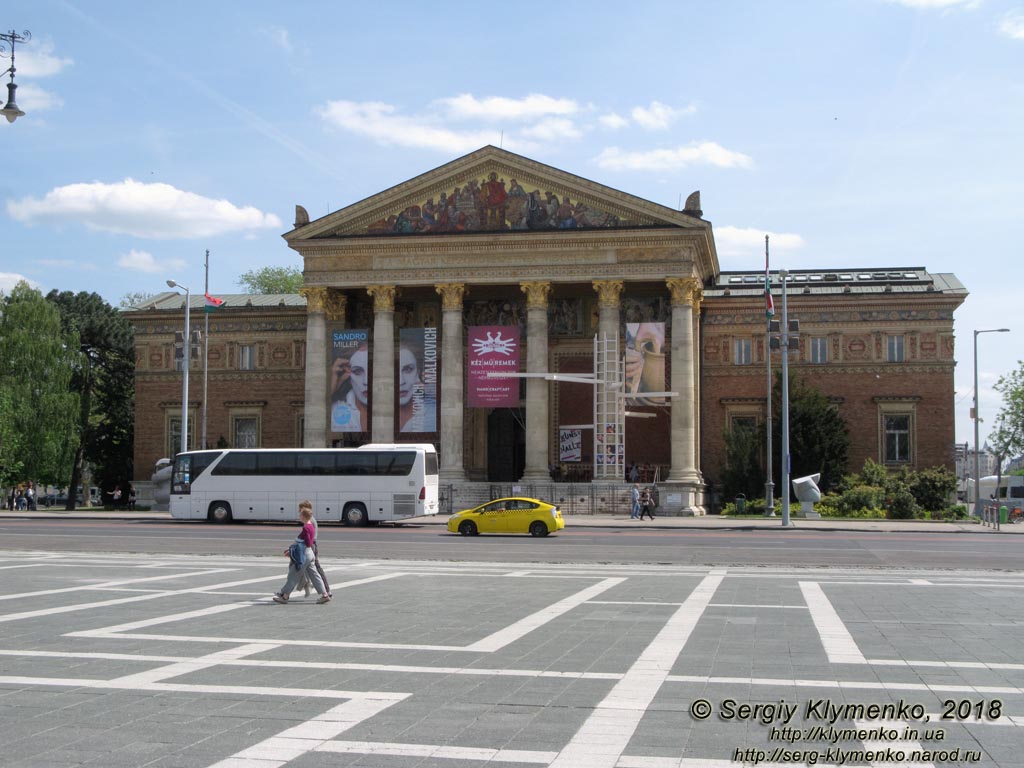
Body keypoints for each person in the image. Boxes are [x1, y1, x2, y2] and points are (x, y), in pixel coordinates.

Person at [273, 501, 330, 604]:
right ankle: (325, 594)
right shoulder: (311, 526)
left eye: (300, 514)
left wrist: (295, 549)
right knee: (314, 575)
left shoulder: (306, 527)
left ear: (304, 516)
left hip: (305, 554)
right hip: (310, 554)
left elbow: (307, 542)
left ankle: (284, 595)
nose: (299, 516)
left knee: (293, 574)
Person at [398, 338, 437, 432]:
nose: (401, 381)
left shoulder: (434, 413)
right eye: (394, 371)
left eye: (408, 369)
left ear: (418, 372)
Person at [331, 343, 369, 432]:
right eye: (358, 371)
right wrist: (331, 390)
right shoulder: (333, 410)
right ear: (347, 372)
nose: (366, 382)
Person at [297, 503, 331, 599]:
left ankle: (326, 590)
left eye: (300, 509)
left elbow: (306, 536)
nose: (299, 511)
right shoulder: (309, 520)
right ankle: (307, 584)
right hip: (311, 546)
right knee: (309, 569)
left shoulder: (310, 521)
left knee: (316, 569)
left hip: (311, 546)